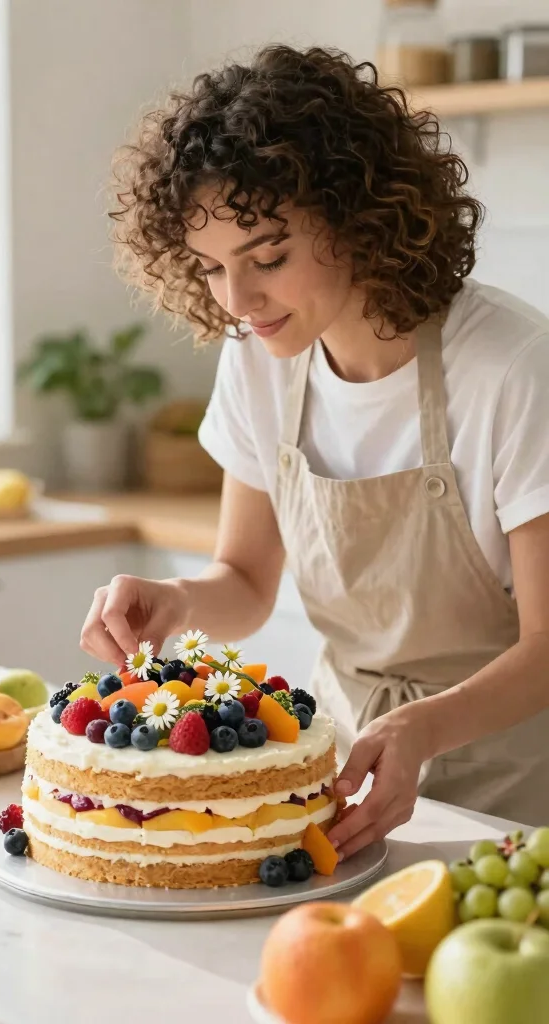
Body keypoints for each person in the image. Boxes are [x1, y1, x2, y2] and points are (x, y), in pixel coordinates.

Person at [80, 44, 549, 859]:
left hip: (514, 803)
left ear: (358, 212)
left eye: (266, 258)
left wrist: (420, 727)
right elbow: (248, 581)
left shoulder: (511, 368)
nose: (238, 301)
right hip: (347, 783)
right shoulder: (261, 360)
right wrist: (180, 601)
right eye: (212, 269)